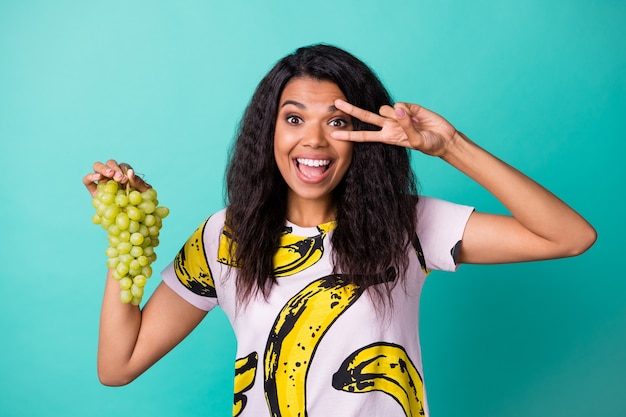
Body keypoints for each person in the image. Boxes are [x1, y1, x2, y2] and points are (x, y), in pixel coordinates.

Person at [83, 44, 596, 417]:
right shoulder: (227, 237)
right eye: (293, 118)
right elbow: (118, 365)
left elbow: (569, 237)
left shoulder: (407, 225)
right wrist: (127, 240)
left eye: (334, 122)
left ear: (363, 135)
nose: (313, 141)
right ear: (269, 132)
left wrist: (449, 146)